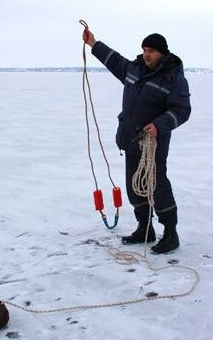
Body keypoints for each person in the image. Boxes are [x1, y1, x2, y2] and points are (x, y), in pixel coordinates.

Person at [83, 30, 191, 253]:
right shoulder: (134, 69)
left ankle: (171, 233)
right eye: (144, 50)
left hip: (153, 144)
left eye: (150, 51)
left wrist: (159, 125)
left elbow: (182, 110)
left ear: (162, 53)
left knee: (157, 187)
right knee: (135, 190)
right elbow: (114, 60)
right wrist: (93, 43)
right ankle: (145, 228)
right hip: (130, 140)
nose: (146, 55)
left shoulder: (173, 79)